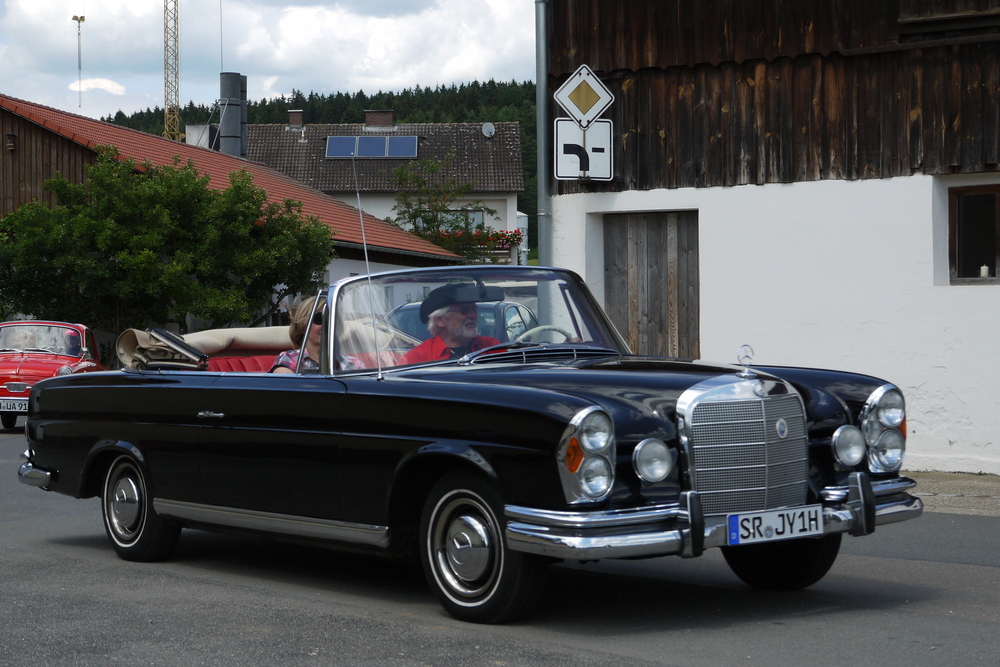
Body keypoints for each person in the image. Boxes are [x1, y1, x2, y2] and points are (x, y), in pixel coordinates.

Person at [400, 283, 501, 364]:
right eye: (464, 310)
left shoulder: (492, 347)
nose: (472, 315)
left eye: (474, 309)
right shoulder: (417, 358)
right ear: (440, 320)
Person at [271, 296, 322, 373]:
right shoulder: (288, 359)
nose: (329, 324)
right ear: (303, 327)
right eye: (320, 319)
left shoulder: (345, 362)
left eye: (333, 319)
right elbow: (285, 383)